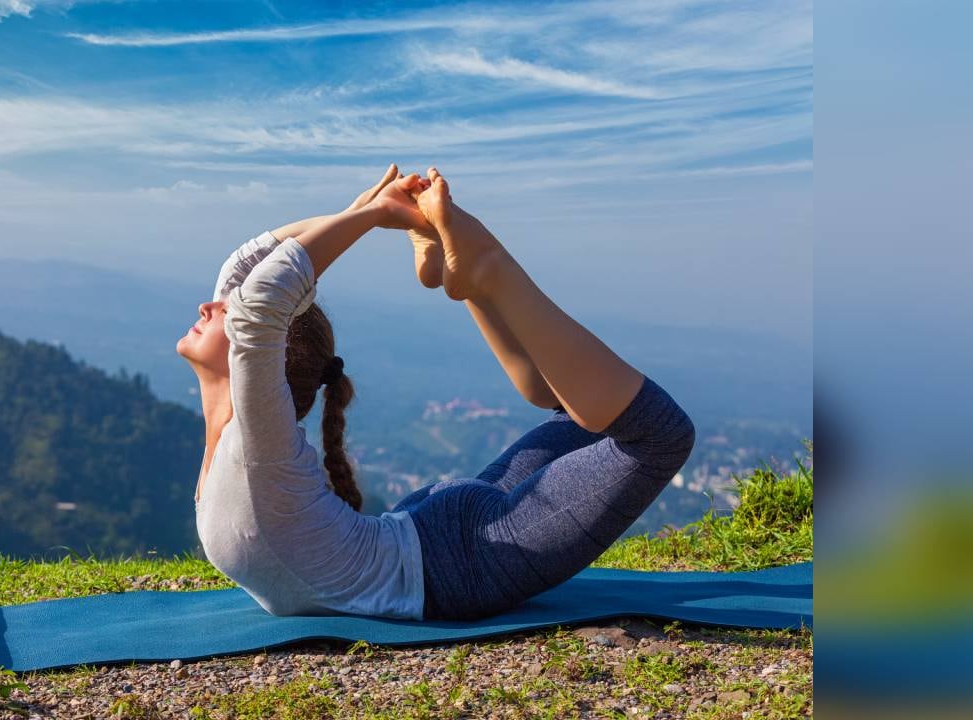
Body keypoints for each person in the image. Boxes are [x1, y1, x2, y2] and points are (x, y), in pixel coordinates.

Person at [174, 165, 695, 621]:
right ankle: (473, 280)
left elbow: (252, 288)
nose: (210, 304)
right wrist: (367, 214)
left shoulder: (256, 438)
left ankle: (484, 271)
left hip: (455, 558)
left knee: (651, 431)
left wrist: (366, 214)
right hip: (441, 544)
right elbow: (252, 287)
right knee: (609, 419)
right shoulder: (254, 438)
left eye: (226, 308)